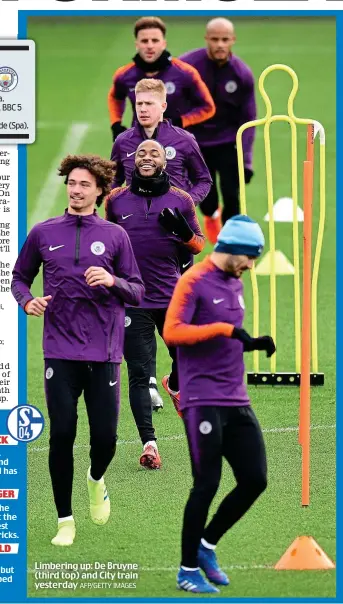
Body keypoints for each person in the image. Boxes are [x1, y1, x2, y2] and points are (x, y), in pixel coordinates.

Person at [11, 155, 145, 547]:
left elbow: (138, 290)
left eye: (85, 184)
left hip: (103, 351)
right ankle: (64, 520)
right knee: (62, 434)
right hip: (59, 350)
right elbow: (20, 277)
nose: (76, 189)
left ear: (100, 191)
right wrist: (26, 301)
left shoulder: (116, 236)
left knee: (105, 439)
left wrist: (112, 279)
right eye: (71, 182)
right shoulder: (43, 232)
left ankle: (96, 479)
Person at [163, 215, 276, 593]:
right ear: (232, 250)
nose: (250, 266)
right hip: (201, 398)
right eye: (248, 257)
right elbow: (173, 332)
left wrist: (252, 341)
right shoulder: (193, 281)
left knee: (254, 479)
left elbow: (231, 334)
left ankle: (207, 546)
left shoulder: (234, 282)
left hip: (235, 397)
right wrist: (226, 330)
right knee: (206, 483)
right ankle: (187, 570)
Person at [111, 77, 212, 411]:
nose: (142, 109)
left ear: (163, 106)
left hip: (177, 240)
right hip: (136, 236)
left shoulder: (183, 140)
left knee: (177, 322)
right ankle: (149, 383)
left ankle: (174, 380)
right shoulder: (124, 141)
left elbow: (204, 180)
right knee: (138, 309)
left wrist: (185, 209)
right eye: (138, 104)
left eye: (148, 104)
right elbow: (113, 183)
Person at [106, 139, 205, 470]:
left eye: (155, 153)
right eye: (142, 153)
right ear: (133, 160)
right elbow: (106, 244)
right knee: (138, 372)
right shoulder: (117, 201)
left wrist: (182, 232)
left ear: (165, 162)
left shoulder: (181, 200)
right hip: (132, 301)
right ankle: (149, 444)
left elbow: (198, 245)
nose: (147, 156)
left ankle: (175, 385)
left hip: (171, 300)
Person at [180, 18, 257, 244]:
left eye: (225, 39)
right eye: (215, 39)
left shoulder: (242, 74)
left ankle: (231, 243)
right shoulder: (188, 66)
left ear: (233, 40)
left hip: (228, 142)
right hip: (196, 143)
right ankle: (211, 215)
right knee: (208, 198)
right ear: (207, 40)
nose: (220, 44)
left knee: (233, 195)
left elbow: (248, 118)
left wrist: (246, 160)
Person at [107, 16, 215, 141]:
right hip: (139, 145)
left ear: (164, 44)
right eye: (144, 41)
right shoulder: (124, 75)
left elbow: (208, 107)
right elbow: (115, 97)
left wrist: (181, 121)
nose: (150, 46)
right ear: (137, 45)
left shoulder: (186, 73)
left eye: (155, 40)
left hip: (178, 144)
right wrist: (116, 123)